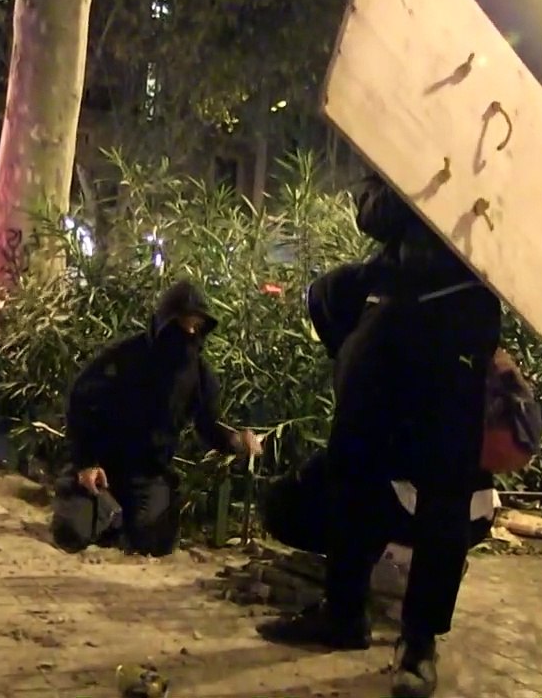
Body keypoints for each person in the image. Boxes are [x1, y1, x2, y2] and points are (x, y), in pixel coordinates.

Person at [257, 175, 502, 698]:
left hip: (463, 314)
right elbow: (372, 213)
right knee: (353, 469)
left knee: (445, 491)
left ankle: (419, 642)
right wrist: (422, 182)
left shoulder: (506, 150)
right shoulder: (408, 137)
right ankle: (344, 613)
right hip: (394, 309)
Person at [55, 280, 261, 557]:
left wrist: (236, 441)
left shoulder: (199, 376)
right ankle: (88, 503)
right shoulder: (124, 357)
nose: (190, 333)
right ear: (166, 323)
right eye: (184, 324)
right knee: (73, 534)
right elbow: (80, 400)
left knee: (154, 541)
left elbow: (209, 424)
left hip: (148, 475)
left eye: (196, 326)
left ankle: (120, 522)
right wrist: (85, 463)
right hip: (101, 466)